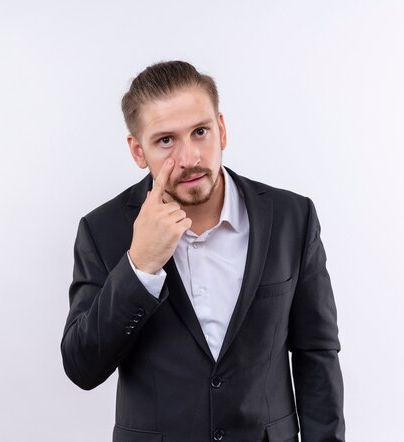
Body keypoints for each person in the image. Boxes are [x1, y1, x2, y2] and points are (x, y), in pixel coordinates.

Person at [61, 60, 345, 442]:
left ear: (222, 129)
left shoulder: (293, 218)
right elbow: (82, 367)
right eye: (165, 140)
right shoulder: (103, 230)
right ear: (137, 151)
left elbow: (317, 355)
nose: (190, 157)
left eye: (200, 132)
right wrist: (140, 266)